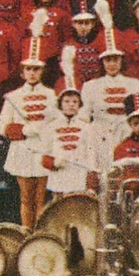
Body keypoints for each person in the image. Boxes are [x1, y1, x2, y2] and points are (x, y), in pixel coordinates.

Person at [0, 25, 57, 229]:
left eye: (37, 69)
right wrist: (23, 130)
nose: (32, 73)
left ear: (42, 71)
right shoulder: (13, 96)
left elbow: (56, 122)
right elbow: (2, 126)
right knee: (26, 197)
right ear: (22, 72)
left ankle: (39, 234)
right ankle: (26, 232)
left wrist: (44, 130)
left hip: (43, 148)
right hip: (22, 150)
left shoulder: (52, 95)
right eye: (29, 69)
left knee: (41, 197)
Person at [80, 1, 139, 174]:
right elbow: (84, 117)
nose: (112, 64)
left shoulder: (134, 84)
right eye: (108, 60)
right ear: (102, 62)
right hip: (99, 135)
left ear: (122, 60)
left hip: (125, 132)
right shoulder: (91, 86)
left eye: (116, 59)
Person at [41, 47, 96, 197]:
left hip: (79, 176)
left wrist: (91, 183)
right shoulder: (52, 127)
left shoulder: (86, 127)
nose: (71, 104)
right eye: (66, 101)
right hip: (58, 176)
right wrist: (53, 163)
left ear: (80, 104)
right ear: (60, 104)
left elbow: (91, 155)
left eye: (74, 101)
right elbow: (44, 153)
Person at [24, 0, 71, 86]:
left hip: (52, 62)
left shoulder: (61, 14)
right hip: (33, 61)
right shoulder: (28, 13)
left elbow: (66, 39)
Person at [60, 0, 106, 85]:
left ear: (93, 24)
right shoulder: (69, 44)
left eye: (87, 23)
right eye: (80, 23)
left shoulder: (101, 40)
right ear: (73, 24)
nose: (83, 27)